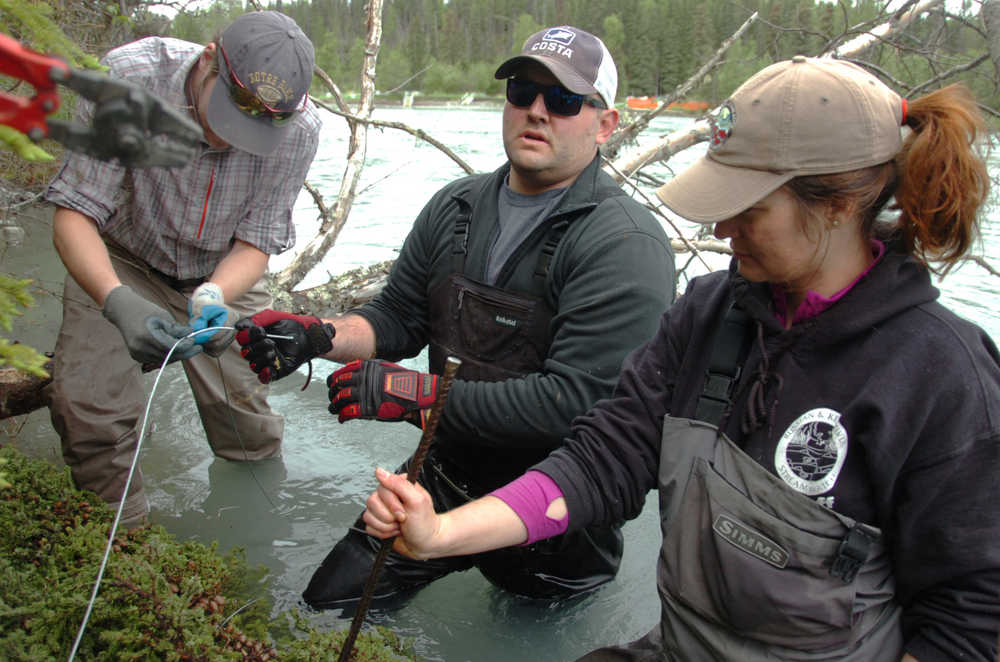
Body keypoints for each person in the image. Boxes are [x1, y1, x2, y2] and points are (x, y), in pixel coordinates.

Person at [361, 56, 1000, 662]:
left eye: (747, 208)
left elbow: (969, 620)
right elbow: (600, 461)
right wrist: (439, 533)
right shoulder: (709, 311)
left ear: (835, 204)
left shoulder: (943, 375)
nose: (722, 231)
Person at [235, 26, 675, 607]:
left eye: (564, 100)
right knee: (326, 609)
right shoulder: (456, 206)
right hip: (442, 473)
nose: (537, 111)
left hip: (553, 510)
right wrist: (317, 335)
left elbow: (577, 404)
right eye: (523, 91)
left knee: (532, 633)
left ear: (605, 124)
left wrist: (413, 394)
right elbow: (398, 316)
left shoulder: (626, 243)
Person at [42, 11, 322, 528]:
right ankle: (122, 541)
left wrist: (215, 293)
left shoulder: (300, 131)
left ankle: (253, 526)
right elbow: (74, 214)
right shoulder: (126, 82)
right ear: (209, 57)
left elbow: (255, 242)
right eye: (230, 113)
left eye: (257, 129)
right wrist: (116, 301)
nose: (231, 140)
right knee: (89, 411)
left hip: (222, 271)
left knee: (246, 417)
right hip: (121, 257)